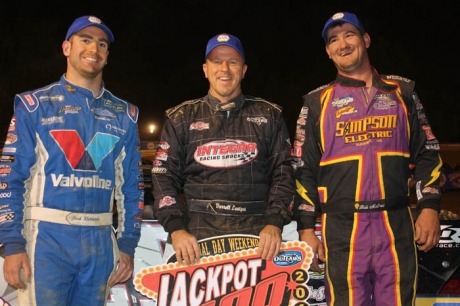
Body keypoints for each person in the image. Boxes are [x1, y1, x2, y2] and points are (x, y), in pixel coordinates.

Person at [292, 12, 442, 306]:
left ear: (366, 40)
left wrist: (430, 208)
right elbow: (302, 170)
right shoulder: (316, 102)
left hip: (395, 224)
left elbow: (428, 152)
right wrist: (306, 229)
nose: (342, 44)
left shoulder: (403, 92)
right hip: (342, 228)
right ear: (327, 51)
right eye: (333, 40)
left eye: (349, 35)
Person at [0, 15, 144, 305]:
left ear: (107, 55)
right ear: (67, 47)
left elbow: (132, 187)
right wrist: (12, 244)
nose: (94, 48)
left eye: (102, 44)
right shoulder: (35, 106)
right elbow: (10, 178)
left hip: (101, 243)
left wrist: (127, 245)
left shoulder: (124, 115)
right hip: (46, 242)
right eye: (86, 40)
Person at [152, 33, 295, 265]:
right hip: (195, 238)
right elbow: (162, 176)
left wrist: (274, 223)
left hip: (257, 237)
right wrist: (176, 228)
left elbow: (284, 173)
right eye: (217, 62)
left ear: (244, 69)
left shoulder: (268, 115)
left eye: (233, 61)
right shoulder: (181, 118)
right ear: (205, 69)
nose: (225, 69)